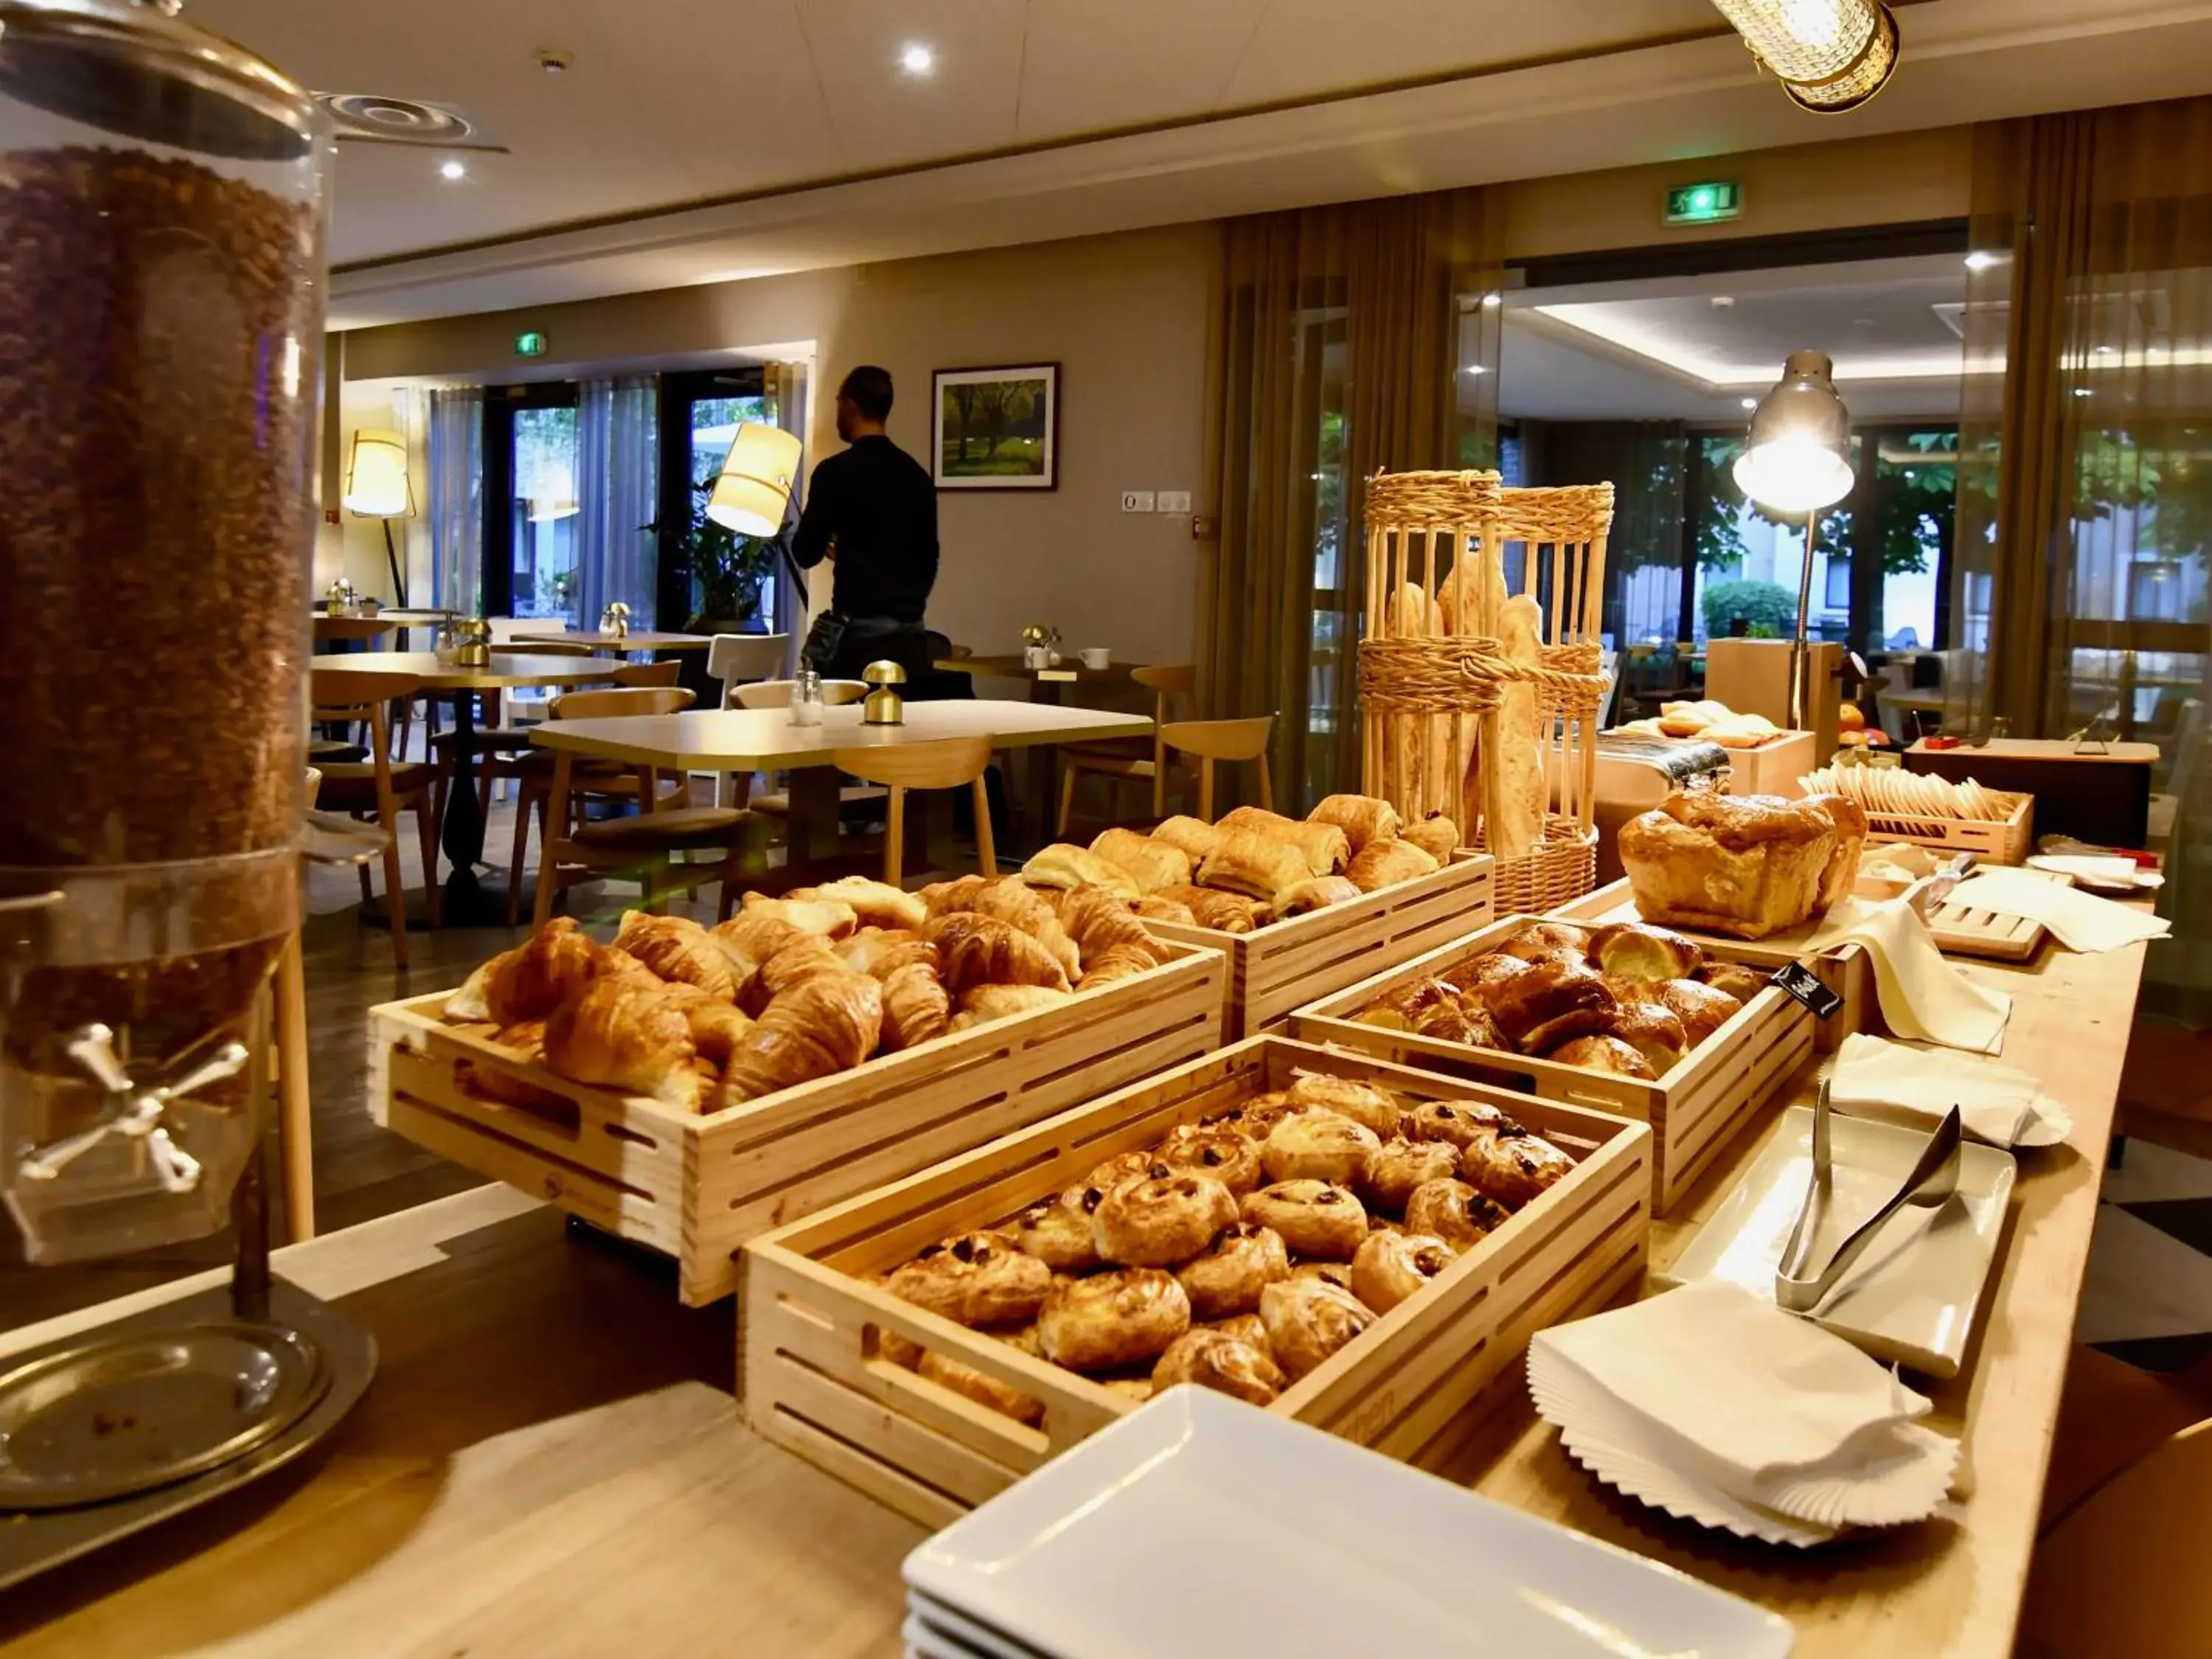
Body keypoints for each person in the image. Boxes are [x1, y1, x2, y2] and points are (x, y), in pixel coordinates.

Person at [790, 365, 940, 686]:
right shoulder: (917, 476)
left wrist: (836, 544)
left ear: (850, 405)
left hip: (856, 644)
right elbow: (930, 557)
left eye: (838, 402)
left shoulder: (835, 472)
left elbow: (805, 552)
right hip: (911, 641)